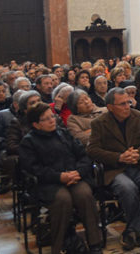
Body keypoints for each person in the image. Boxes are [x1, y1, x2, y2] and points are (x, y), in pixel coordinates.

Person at [19, 103, 102, 254]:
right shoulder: (29, 142)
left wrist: (78, 172)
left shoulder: (64, 133)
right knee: (63, 199)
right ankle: (58, 246)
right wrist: (59, 177)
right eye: (46, 119)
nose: (52, 120)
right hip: (48, 183)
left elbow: (83, 155)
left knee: (84, 195)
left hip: (74, 177)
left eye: (52, 116)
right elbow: (33, 169)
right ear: (36, 125)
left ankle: (95, 243)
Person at [87, 87, 140, 250]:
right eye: (121, 104)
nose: (127, 106)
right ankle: (136, 230)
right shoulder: (99, 123)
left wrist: (137, 154)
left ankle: (133, 229)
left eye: (128, 102)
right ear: (110, 107)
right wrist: (119, 157)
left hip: (138, 165)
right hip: (115, 169)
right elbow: (92, 149)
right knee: (127, 188)